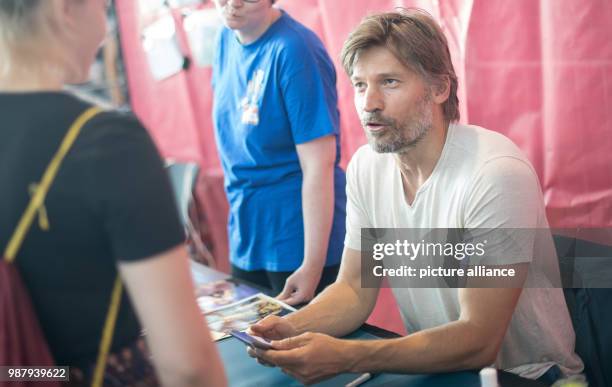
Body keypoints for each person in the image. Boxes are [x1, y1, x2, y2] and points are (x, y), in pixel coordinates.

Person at [248, 9, 584, 385]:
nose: (369, 103)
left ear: (440, 88)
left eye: (389, 82)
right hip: (442, 370)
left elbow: (479, 340)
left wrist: (347, 356)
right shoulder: (366, 167)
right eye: (360, 85)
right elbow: (354, 290)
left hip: (531, 377)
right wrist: (285, 329)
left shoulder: (495, 173)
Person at [0, 1, 226, 386]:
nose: (105, 33)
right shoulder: (105, 142)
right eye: (102, 7)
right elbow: (187, 364)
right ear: (64, 10)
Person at [211, 0, 346, 305]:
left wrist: (311, 265)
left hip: (297, 237)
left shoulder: (295, 50)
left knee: (307, 347)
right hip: (247, 231)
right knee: (251, 343)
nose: (232, 4)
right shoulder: (224, 37)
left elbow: (318, 166)